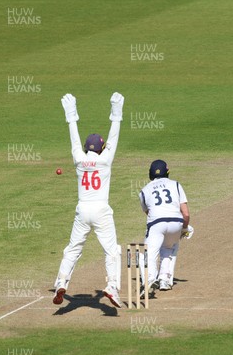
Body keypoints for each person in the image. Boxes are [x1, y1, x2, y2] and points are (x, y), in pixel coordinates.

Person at [53, 92, 125, 308]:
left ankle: (60, 283)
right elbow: (114, 138)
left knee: (73, 249)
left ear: (86, 148)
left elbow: (74, 139)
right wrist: (116, 113)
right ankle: (112, 286)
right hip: (101, 209)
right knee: (112, 251)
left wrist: (71, 115)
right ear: (101, 149)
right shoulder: (105, 160)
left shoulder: (79, 159)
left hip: (82, 209)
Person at [138, 160, 192, 296]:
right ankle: (165, 280)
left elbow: (149, 213)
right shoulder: (176, 185)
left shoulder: (144, 191)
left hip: (157, 224)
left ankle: (150, 280)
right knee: (168, 247)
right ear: (167, 172)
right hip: (176, 223)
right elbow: (185, 213)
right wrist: (184, 229)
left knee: (147, 253)